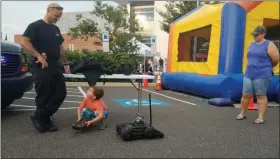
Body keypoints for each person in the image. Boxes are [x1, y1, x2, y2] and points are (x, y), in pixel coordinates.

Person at [20, 3, 71, 133]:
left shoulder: (55, 29)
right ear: (49, 10)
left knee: (60, 93)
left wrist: (66, 63)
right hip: (41, 64)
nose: (57, 18)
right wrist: (39, 56)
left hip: (55, 64)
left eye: (59, 17)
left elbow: (60, 48)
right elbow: (24, 42)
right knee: (44, 94)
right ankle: (43, 121)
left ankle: (39, 116)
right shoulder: (35, 26)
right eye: (56, 15)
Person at [236, 26, 279, 124]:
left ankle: (260, 117)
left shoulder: (269, 44)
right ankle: (242, 113)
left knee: (260, 95)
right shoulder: (251, 44)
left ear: (263, 34)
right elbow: (249, 57)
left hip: (263, 74)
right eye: (254, 34)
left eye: (256, 34)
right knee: (246, 94)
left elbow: (276, 59)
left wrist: (267, 67)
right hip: (249, 73)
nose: (254, 36)